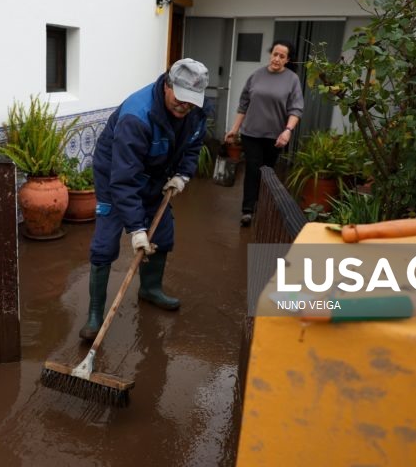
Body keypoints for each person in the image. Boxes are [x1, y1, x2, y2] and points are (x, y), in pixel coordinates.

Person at [78, 58, 209, 341]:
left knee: (162, 230)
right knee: (104, 243)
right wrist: (136, 229)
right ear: (167, 85)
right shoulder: (137, 116)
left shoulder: (196, 111)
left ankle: (150, 289)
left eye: (191, 101)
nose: (184, 106)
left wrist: (183, 175)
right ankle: (95, 315)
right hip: (116, 173)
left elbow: (194, 142)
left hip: (156, 173)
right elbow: (124, 179)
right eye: (180, 98)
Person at [225, 39, 304, 227]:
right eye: (275, 54)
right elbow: (243, 104)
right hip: (251, 133)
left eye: (281, 56)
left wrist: (287, 131)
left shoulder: (292, 79)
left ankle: (262, 205)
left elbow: (296, 109)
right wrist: (234, 129)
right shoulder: (256, 76)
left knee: (266, 172)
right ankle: (248, 210)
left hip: (274, 136)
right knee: (252, 168)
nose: (276, 59)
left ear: (287, 60)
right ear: (271, 54)